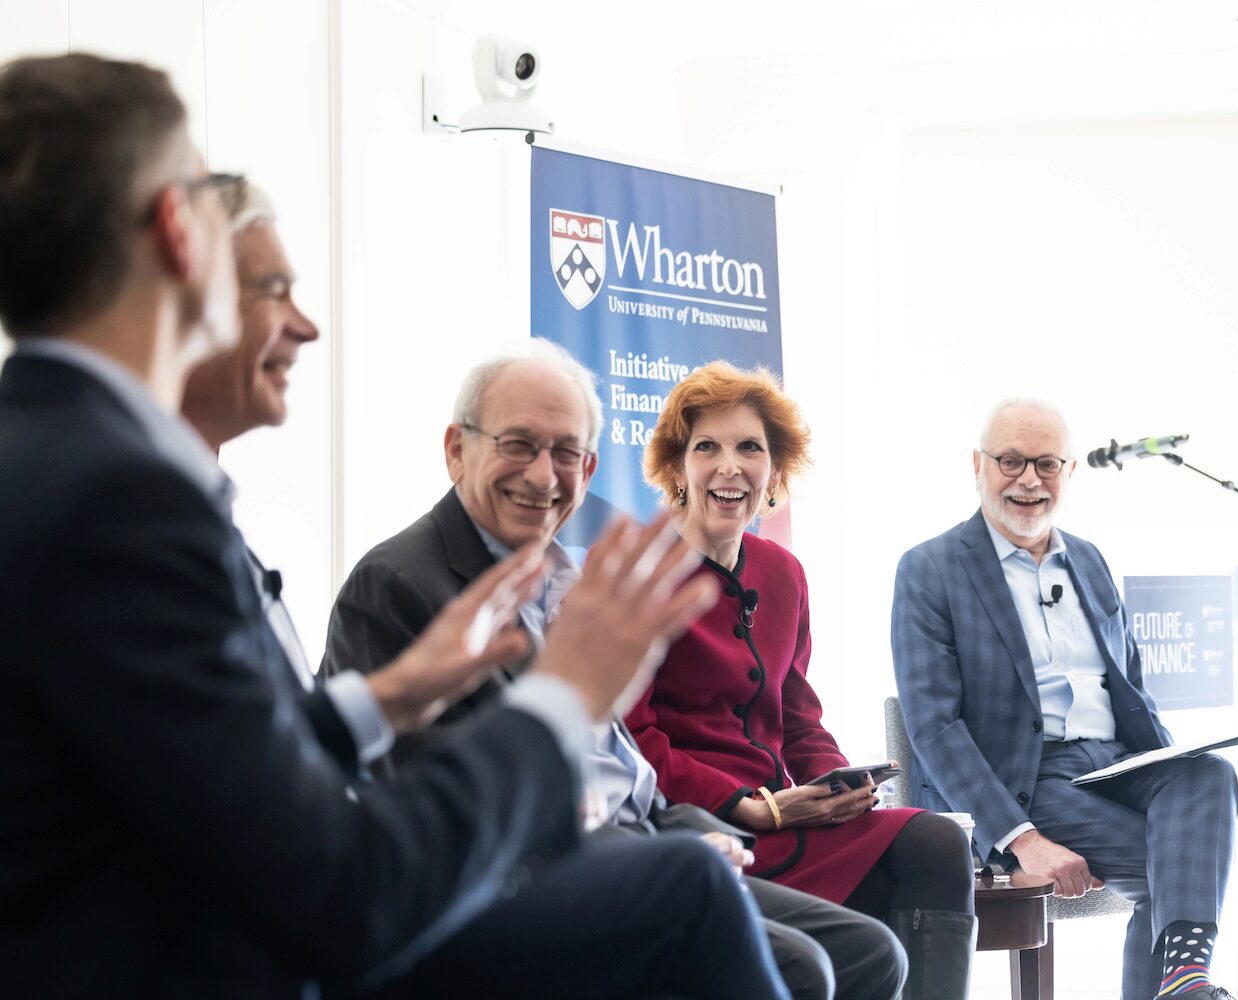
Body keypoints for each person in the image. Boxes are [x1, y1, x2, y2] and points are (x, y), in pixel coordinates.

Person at [0, 52, 785, 1000]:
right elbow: (341, 893)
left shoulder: (55, 457)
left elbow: (204, 768)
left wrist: (389, 695)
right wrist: (560, 699)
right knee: (684, 887)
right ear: (179, 232)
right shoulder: (121, 501)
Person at [324, 341, 906, 1000]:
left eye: (567, 454)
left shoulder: (564, 579)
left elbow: (627, 769)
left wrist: (700, 834)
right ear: (457, 449)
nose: (545, 476)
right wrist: (711, 831)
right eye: (519, 445)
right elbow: (433, 827)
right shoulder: (400, 583)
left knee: (870, 953)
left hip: (656, 836)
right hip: (519, 890)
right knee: (808, 967)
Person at [628, 361, 977, 1000]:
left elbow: (797, 716)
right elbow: (633, 740)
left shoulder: (782, 572)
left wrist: (843, 786)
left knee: (935, 842)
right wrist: (750, 807)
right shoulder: (637, 572)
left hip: (786, 820)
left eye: (749, 448)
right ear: (678, 468)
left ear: (774, 471)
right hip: (696, 828)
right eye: (707, 447)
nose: (729, 467)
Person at [890, 399, 1238, 1000]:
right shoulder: (930, 569)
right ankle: (1186, 983)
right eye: (1011, 461)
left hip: (1115, 765)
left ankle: (1185, 982)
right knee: (1176, 872)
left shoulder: (1089, 559)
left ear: (1070, 472)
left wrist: (1168, 780)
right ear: (978, 465)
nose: (1029, 479)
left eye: (1046, 464)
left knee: (1210, 775)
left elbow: (1131, 689)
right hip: (1025, 783)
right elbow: (934, 727)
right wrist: (1022, 839)